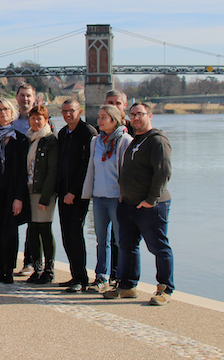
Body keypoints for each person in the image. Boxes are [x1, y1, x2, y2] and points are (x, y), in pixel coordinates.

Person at [104, 103, 174, 306]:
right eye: (132, 115)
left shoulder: (157, 141)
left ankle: (165, 288)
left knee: (159, 247)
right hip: (128, 204)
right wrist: (123, 194)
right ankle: (127, 286)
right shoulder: (136, 141)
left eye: (140, 114)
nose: (135, 118)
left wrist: (150, 200)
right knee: (127, 246)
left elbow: (163, 172)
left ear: (149, 115)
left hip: (152, 205)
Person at [81, 104, 133, 293]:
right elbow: (92, 169)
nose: (99, 120)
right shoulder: (96, 141)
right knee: (101, 240)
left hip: (116, 198)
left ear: (114, 119)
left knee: (120, 240)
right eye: (99, 117)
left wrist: (124, 194)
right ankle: (101, 277)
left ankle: (120, 277)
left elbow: (127, 171)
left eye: (104, 117)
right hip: (99, 197)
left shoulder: (125, 140)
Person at [0, 98, 29, 283]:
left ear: (12, 113)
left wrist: (19, 197)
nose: (3, 113)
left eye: (6, 110)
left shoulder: (21, 139)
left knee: (10, 230)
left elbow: (23, 172)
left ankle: (9, 269)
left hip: (12, 191)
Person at [56, 98, 97, 293]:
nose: (67, 115)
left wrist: (73, 191)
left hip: (77, 194)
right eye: (64, 111)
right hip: (63, 191)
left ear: (79, 111)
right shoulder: (63, 133)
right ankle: (75, 274)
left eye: (71, 111)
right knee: (66, 235)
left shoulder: (88, 133)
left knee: (75, 233)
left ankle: (81, 278)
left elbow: (86, 167)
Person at [24, 106, 59, 285]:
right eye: (33, 118)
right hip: (29, 190)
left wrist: (46, 197)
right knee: (33, 230)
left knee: (44, 229)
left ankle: (49, 270)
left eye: (40, 118)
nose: (36, 122)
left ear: (46, 120)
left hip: (44, 192)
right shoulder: (28, 138)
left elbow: (53, 171)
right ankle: (36, 269)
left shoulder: (50, 140)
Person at [11, 83, 36, 276]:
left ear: (34, 98)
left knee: (34, 223)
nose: (25, 99)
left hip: (35, 180)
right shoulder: (11, 122)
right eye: (22, 96)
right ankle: (8, 259)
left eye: (28, 96)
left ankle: (31, 262)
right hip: (16, 178)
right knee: (10, 220)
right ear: (17, 98)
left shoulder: (42, 121)